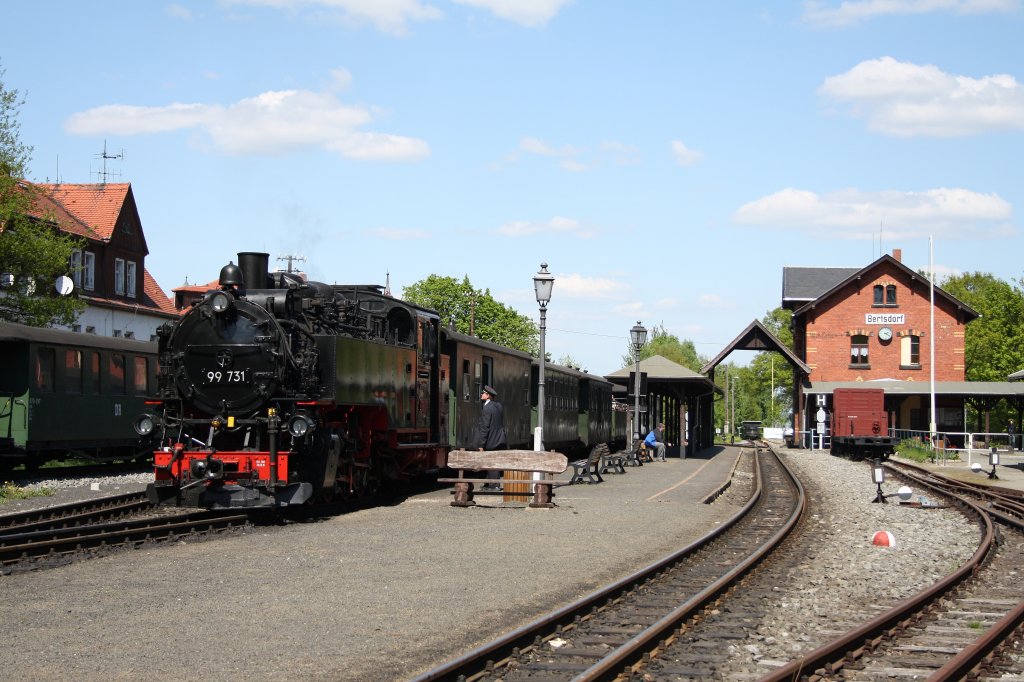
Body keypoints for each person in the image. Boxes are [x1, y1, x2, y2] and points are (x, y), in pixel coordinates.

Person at [471, 385, 507, 489]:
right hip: (499, 439)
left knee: (491, 463)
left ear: (488, 396)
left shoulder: (487, 409)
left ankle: (494, 485)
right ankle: (488, 483)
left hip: (491, 440)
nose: (481, 394)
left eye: (483, 393)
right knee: (492, 462)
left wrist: (481, 444)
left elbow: (485, 428)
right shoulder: (498, 406)